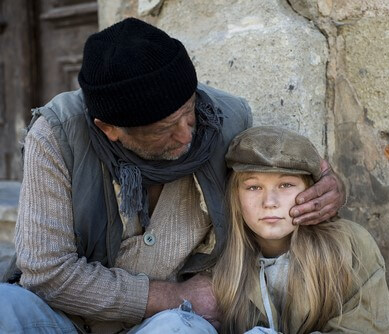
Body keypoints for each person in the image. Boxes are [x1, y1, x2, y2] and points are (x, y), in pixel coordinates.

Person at [0, 17, 345, 333]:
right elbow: (47, 272)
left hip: (168, 323)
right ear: (109, 129)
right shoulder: (58, 135)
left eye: (188, 111)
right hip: (66, 320)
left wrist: (326, 188)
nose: (185, 135)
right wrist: (171, 294)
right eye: (163, 129)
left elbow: (273, 195)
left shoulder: (226, 119)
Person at [212, 126, 389, 333]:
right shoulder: (220, 255)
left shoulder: (349, 246)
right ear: (235, 195)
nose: (270, 202)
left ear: (313, 192)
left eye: (286, 185)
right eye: (254, 187)